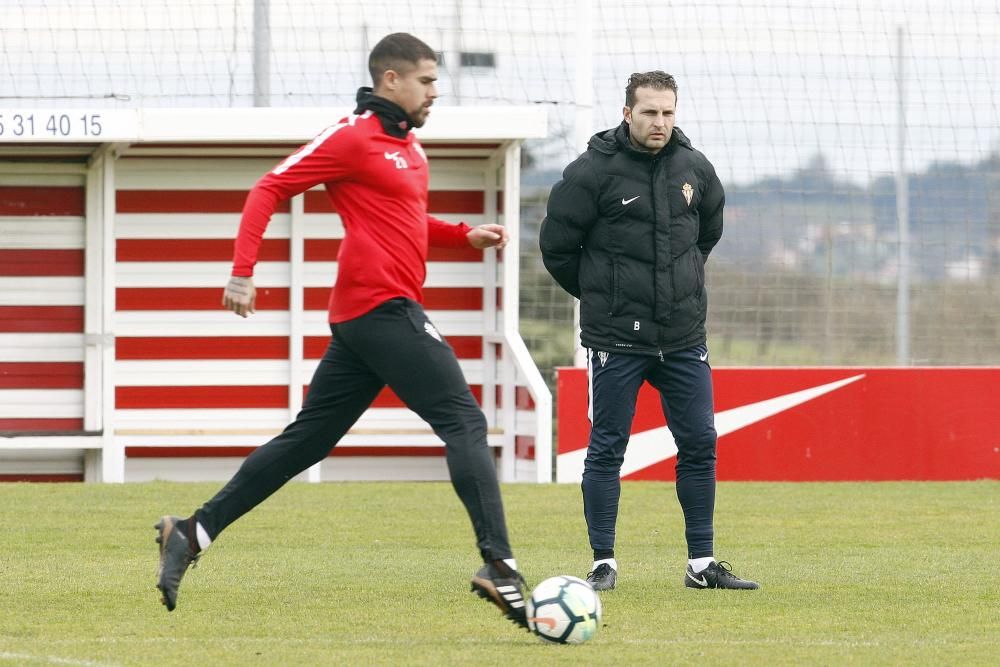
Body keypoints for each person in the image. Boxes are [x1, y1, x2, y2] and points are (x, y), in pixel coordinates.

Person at [154, 32, 529, 629]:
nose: (436, 90)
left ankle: (192, 532)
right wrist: (242, 274)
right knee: (464, 420)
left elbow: (405, 220)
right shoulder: (353, 137)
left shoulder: (410, 147)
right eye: (427, 80)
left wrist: (463, 235)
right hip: (382, 311)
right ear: (391, 80)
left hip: (370, 318)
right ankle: (500, 566)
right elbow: (270, 186)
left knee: (308, 441)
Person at [539, 71, 758, 592]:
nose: (660, 122)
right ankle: (603, 563)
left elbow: (706, 235)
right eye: (649, 113)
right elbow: (558, 250)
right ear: (627, 114)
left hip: (683, 336)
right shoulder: (590, 173)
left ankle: (702, 565)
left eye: (668, 112)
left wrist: (681, 287)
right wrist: (606, 296)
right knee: (607, 447)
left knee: (700, 441)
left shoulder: (695, 168)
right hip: (616, 340)